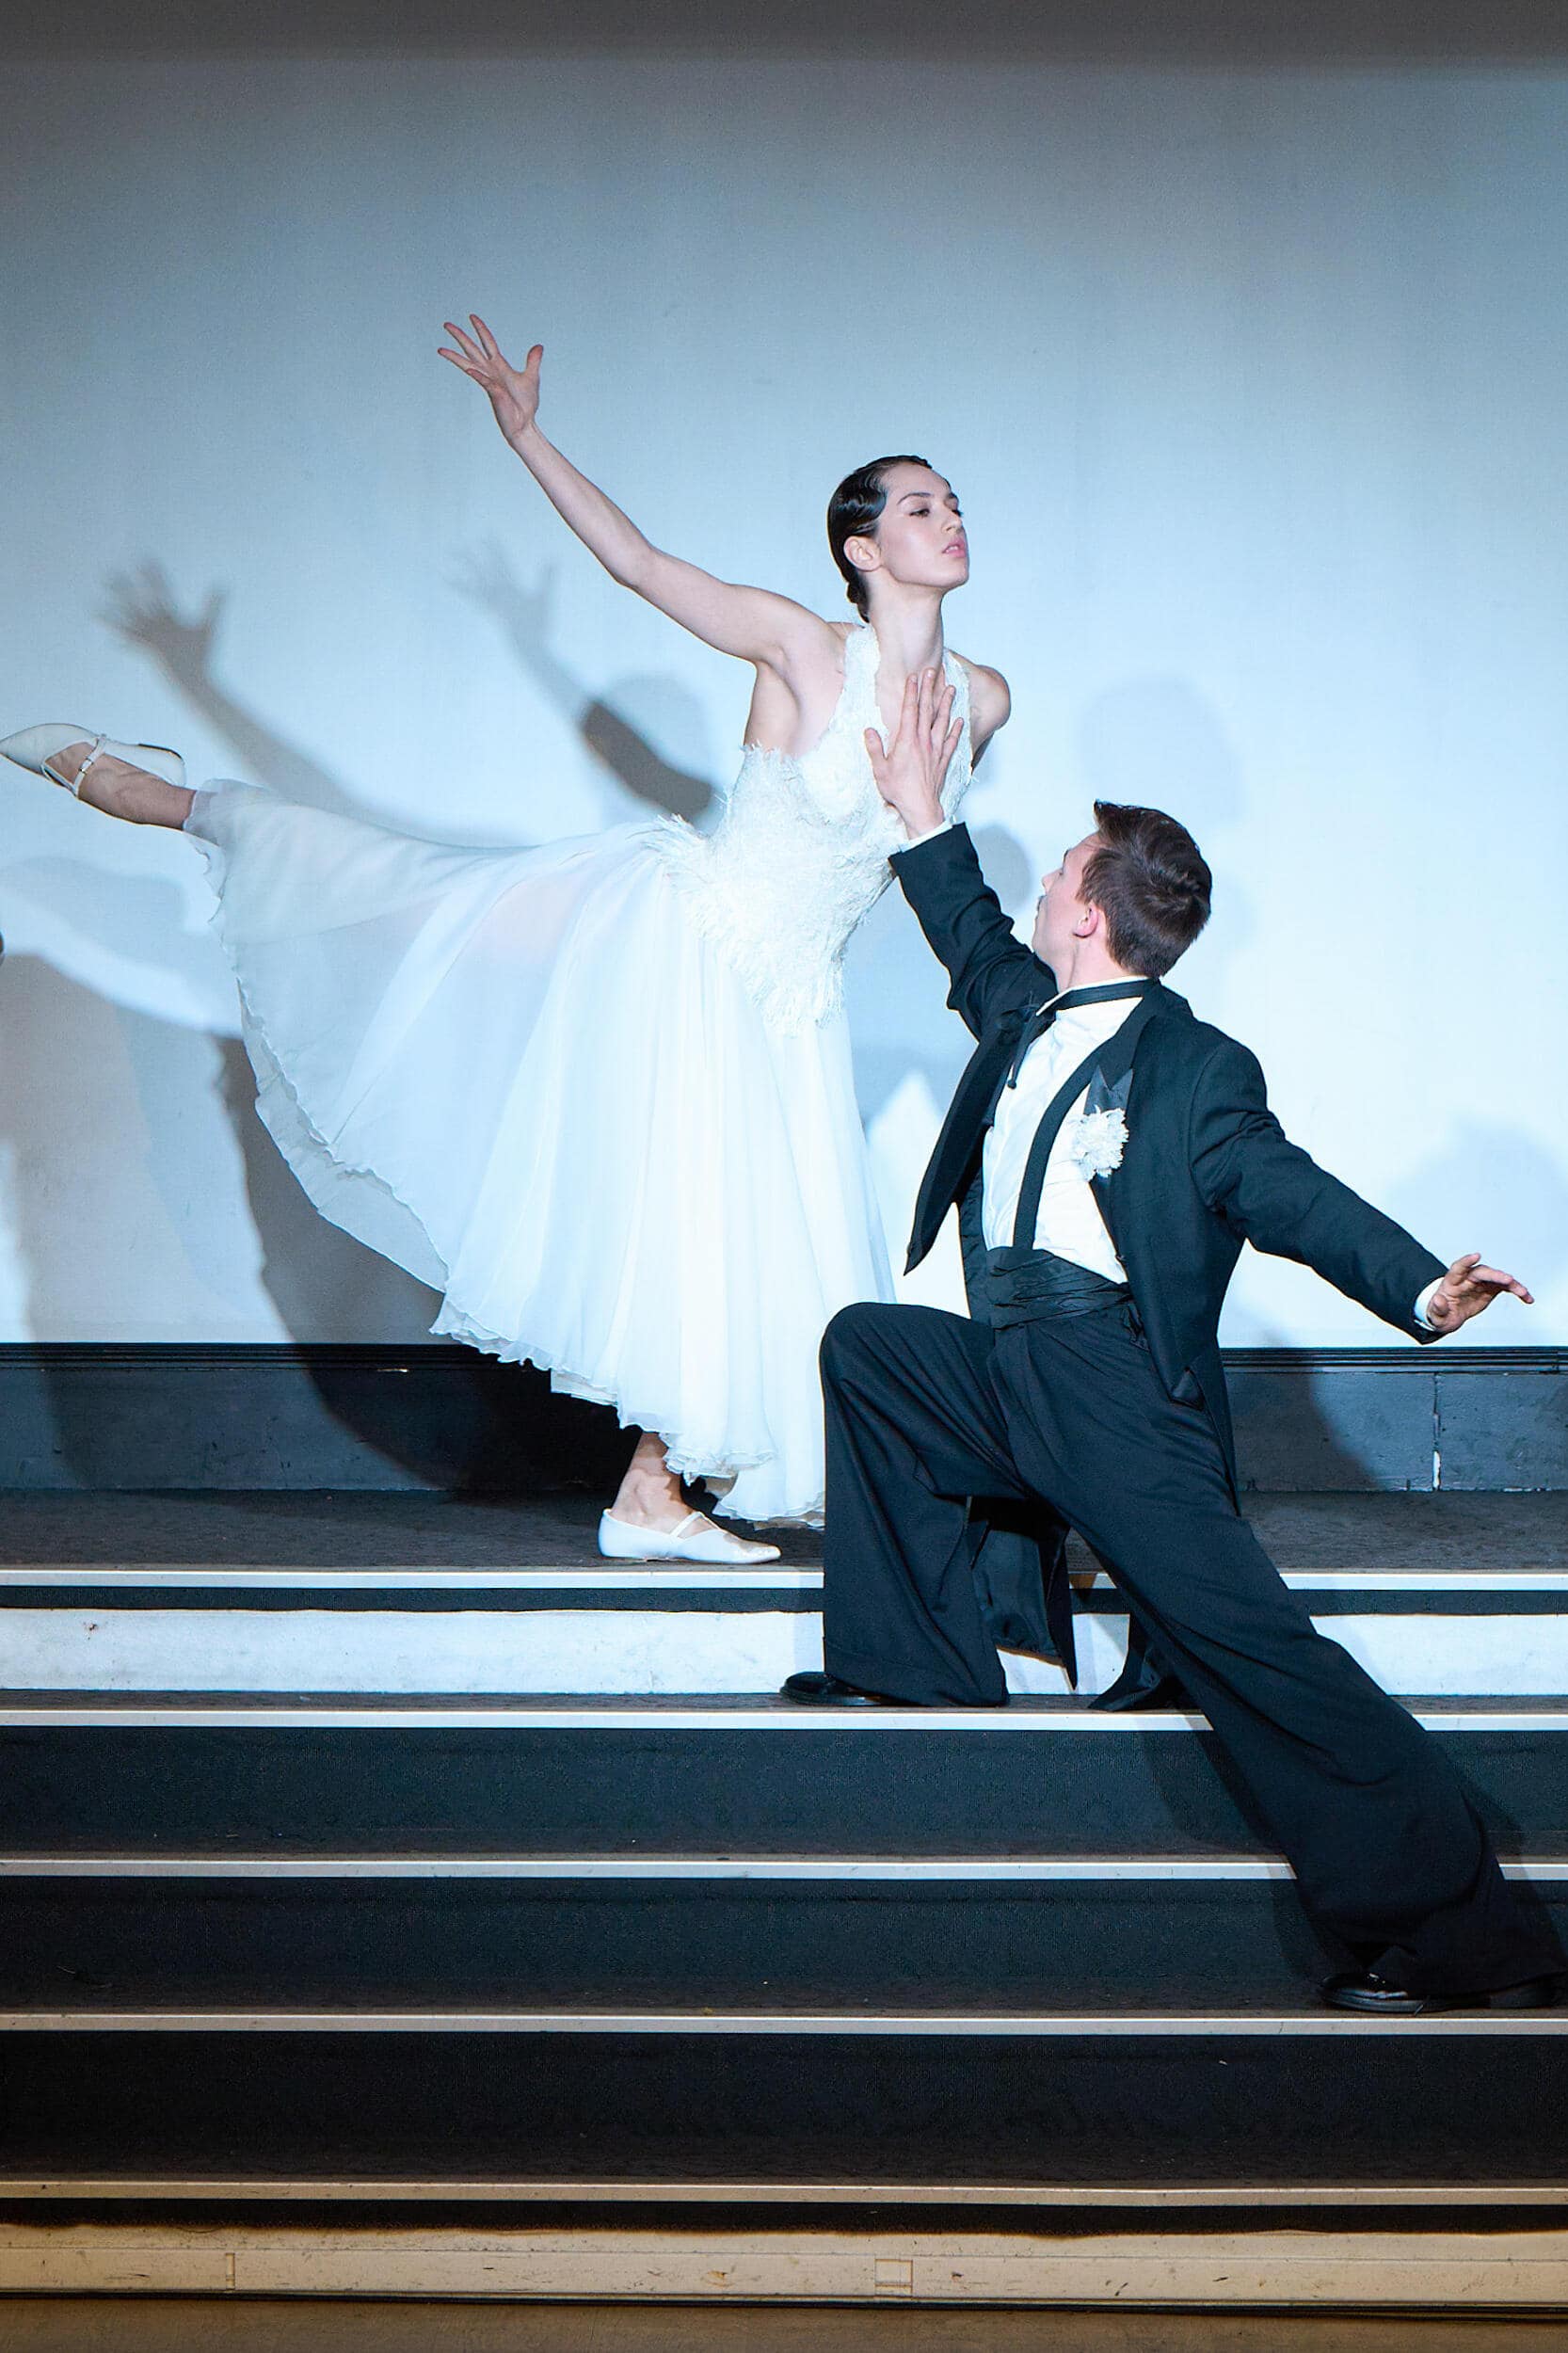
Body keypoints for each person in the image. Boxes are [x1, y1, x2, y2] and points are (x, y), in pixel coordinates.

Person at [2, 319, 1010, 1555]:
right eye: (919, 507)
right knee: (413, 902)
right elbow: (639, 564)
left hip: (795, 999)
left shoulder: (982, 699)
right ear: (862, 548)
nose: (948, 520)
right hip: (686, 945)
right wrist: (527, 435)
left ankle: (651, 1495)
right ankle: (183, 801)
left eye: (953, 504)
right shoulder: (805, 647)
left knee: (733, 1238)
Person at [784, 669, 1561, 2015]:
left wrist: (1420, 1291)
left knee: (1260, 1653)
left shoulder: (1195, 1067)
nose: (1039, 891)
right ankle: (915, 1662)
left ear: (1088, 913)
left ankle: (1465, 1937)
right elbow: (966, 924)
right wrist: (917, 808)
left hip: (1112, 1391)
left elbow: (1288, 1191)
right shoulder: (1025, 1012)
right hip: (1010, 1370)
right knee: (873, 1349)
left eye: (1056, 877)